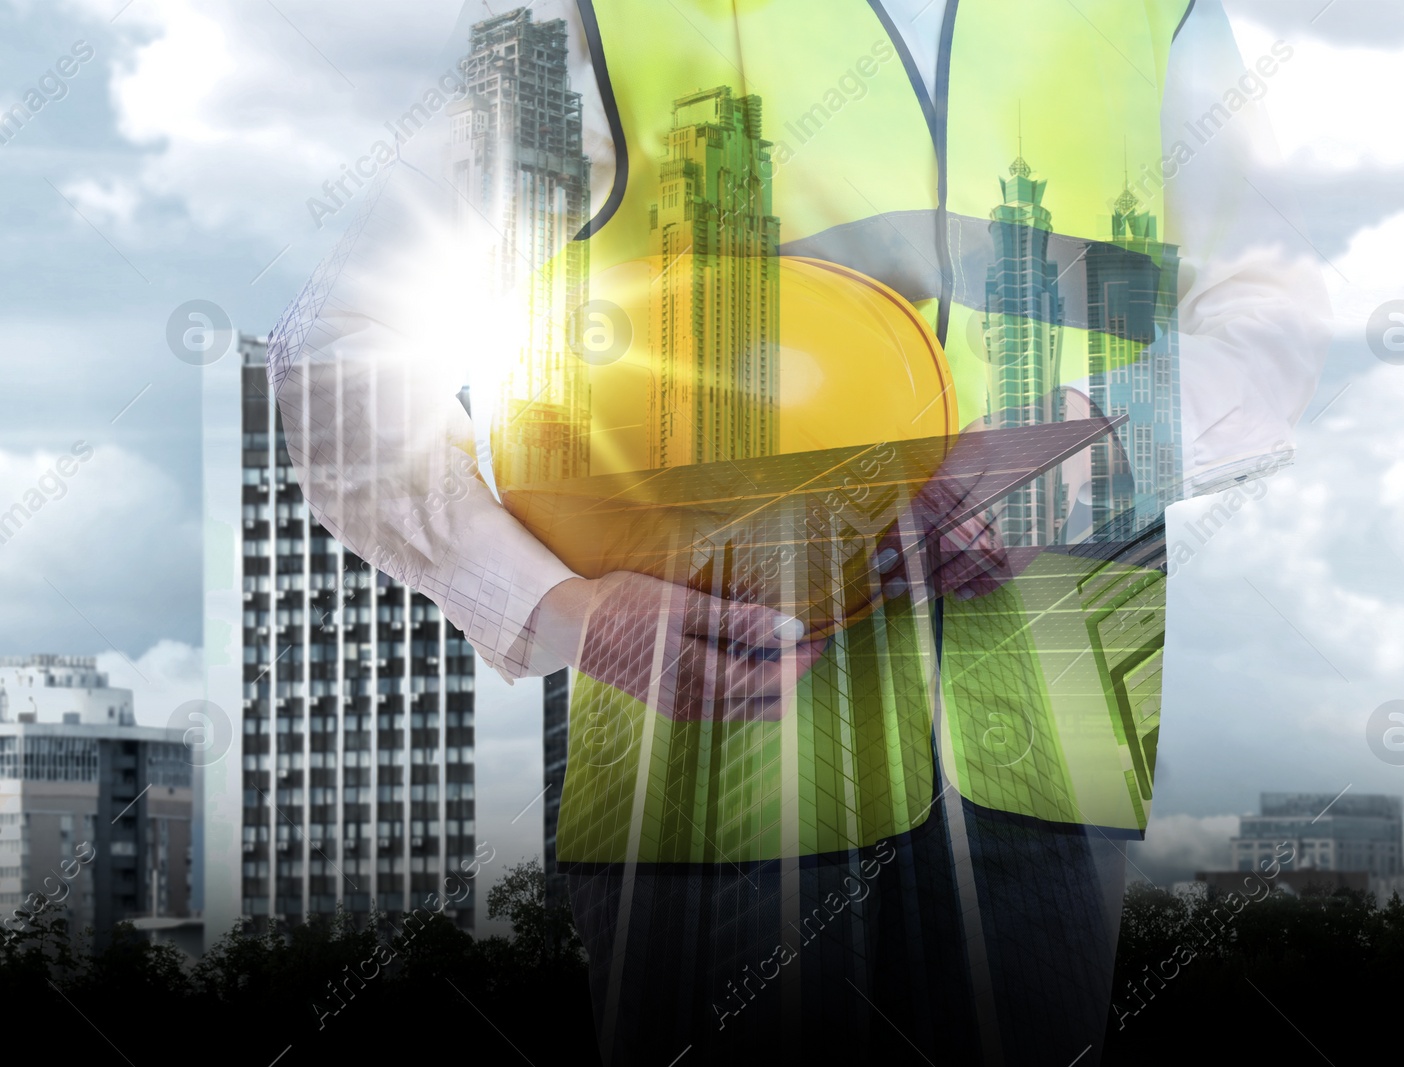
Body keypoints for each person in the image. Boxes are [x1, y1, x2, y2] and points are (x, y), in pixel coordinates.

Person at [270, 1, 1329, 1062]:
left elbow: (1269, 313)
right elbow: (340, 355)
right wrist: (561, 612)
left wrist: (1093, 449)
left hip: (1052, 721)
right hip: (701, 736)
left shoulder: (1159, 12)